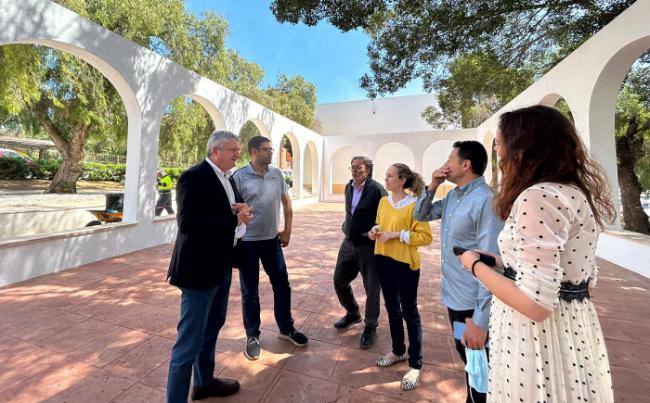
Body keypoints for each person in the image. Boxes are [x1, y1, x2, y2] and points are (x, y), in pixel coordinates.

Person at [458, 105, 615, 402]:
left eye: (501, 144)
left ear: (523, 147)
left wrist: (475, 265)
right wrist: (498, 261)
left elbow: (535, 303)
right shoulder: (571, 193)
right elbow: (562, 270)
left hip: (536, 339)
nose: (499, 154)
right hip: (571, 329)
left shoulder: (538, 197)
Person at [166, 131, 253, 403]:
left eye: (238, 150)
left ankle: (203, 384)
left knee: (212, 327)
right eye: (232, 150)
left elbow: (222, 214)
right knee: (188, 344)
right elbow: (189, 224)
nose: (238, 154)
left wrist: (238, 210)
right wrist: (234, 218)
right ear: (215, 151)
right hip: (198, 272)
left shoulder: (229, 179)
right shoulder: (193, 177)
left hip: (221, 266)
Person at [413, 141, 503, 403]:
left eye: (450, 158)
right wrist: (432, 185)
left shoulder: (486, 200)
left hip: (473, 301)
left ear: (466, 165)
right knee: (469, 358)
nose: (445, 164)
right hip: (454, 295)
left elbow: (490, 262)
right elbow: (421, 214)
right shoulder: (454, 195)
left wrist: (480, 318)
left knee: (481, 364)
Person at [232, 135, 308, 361]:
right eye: (267, 149)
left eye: (271, 149)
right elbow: (232, 209)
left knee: (282, 285)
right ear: (254, 151)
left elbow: (287, 203)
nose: (271, 153)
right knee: (250, 291)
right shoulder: (239, 177)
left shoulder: (277, 175)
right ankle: (252, 335)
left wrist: (287, 231)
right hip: (247, 243)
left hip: (271, 241)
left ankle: (286, 329)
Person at [368, 163, 432, 391]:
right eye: (386, 176)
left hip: (405, 264)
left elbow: (425, 237)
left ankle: (415, 364)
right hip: (383, 259)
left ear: (402, 180)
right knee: (392, 308)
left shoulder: (416, 205)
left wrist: (397, 235)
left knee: (409, 311)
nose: (386, 179)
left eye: (390, 176)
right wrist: (375, 231)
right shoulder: (384, 202)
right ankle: (398, 350)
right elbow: (380, 223)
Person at [332, 156, 387, 348]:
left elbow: (386, 217)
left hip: (369, 247)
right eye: (352, 167)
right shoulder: (348, 187)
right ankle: (353, 313)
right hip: (349, 243)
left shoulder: (377, 190)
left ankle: (370, 325)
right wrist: (347, 227)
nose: (354, 170)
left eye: (359, 167)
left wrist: (376, 230)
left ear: (368, 170)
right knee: (339, 279)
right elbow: (350, 212)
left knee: (372, 288)